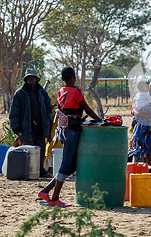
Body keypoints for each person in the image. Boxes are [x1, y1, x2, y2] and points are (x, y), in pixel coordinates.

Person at [38, 67, 101, 207]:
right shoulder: (76, 91)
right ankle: (54, 198)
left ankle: (46, 192)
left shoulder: (61, 91)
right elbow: (87, 109)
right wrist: (100, 120)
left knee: (71, 167)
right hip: (72, 130)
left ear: (62, 79)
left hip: (63, 130)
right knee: (66, 164)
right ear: (74, 76)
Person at [9, 68, 52, 178]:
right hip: (26, 127)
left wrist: (48, 120)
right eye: (28, 77)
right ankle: (27, 171)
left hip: (40, 126)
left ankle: (40, 170)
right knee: (27, 150)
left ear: (36, 79)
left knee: (40, 149)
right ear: (25, 79)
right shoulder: (20, 93)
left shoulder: (42, 92)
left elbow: (48, 107)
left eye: (32, 77)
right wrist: (17, 128)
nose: (30, 79)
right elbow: (14, 112)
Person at [129, 77, 151, 165]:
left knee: (148, 151)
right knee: (140, 150)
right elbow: (133, 109)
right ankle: (141, 170)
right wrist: (137, 113)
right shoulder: (140, 95)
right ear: (148, 84)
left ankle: (149, 172)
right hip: (140, 126)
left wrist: (148, 114)